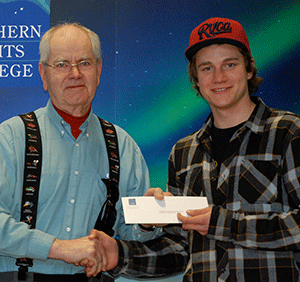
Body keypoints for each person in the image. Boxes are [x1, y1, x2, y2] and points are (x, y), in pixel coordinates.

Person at [90, 17, 300, 281]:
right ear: (196, 79)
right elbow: (180, 249)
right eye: (207, 68)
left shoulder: (289, 133)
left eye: (230, 64)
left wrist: (224, 223)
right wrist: (120, 255)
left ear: (248, 69)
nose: (219, 77)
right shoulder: (183, 152)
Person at [0, 22, 162, 282]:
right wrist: (59, 248)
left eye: (84, 63)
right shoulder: (9, 137)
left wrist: (148, 220)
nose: (74, 73)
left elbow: (132, 236)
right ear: (43, 74)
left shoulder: (123, 146)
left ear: (98, 71)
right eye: (62, 64)